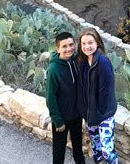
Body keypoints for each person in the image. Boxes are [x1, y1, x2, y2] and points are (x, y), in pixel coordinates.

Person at [76, 28, 118, 163]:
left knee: (107, 151)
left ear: (97, 43)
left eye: (90, 43)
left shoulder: (103, 63)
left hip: (104, 114)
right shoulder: (82, 62)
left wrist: (99, 112)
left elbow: (105, 91)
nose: (87, 46)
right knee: (97, 150)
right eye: (84, 44)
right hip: (90, 114)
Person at [46, 32, 85, 164]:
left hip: (76, 116)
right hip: (61, 119)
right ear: (57, 49)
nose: (69, 49)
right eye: (64, 46)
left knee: (78, 151)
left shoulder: (75, 61)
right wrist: (57, 120)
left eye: (71, 44)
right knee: (59, 153)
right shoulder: (54, 69)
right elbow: (50, 97)